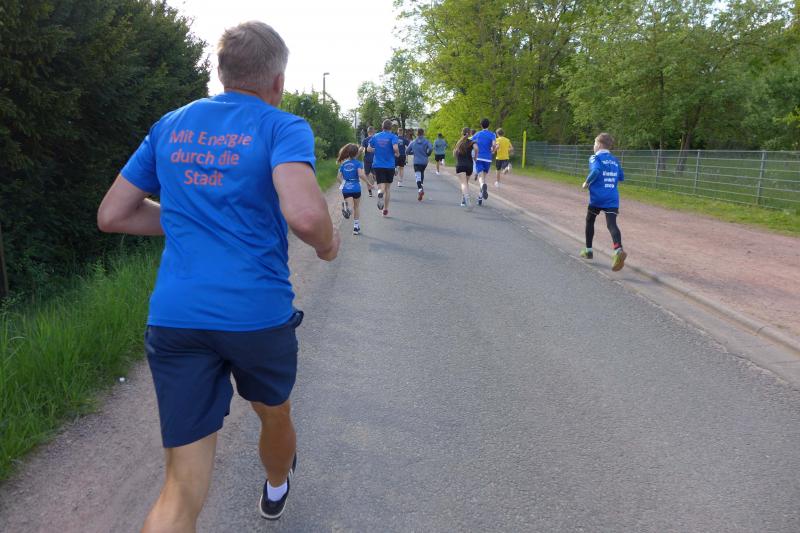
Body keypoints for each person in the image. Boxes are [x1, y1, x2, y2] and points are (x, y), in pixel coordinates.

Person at [97, 22, 340, 528]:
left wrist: (189, 218)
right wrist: (327, 245)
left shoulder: (170, 125)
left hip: (177, 318)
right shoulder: (282, 126)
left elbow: (113, 214)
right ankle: (277, 484)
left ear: (221, 73)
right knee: (274, 413)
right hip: (256, 318)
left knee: (180, 487)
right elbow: (306, 216)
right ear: (278, 81)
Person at [580, 132, 627, 271]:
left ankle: (588, 250)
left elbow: (596, 171)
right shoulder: (614, 160)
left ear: (599, 145)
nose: (593, 146)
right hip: (612, 198)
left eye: (595, 143)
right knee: (611, 224)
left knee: (590, 220)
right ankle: (618, 250)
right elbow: (621, 177)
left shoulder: (595, 157)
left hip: (598, 197)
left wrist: (586, 182)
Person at [368, 119, 401, 216]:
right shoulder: (393, 136)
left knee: (381, 186)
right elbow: (395, 148)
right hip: (389, 165)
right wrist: (397, 153)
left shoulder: (375, 136)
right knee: (388, 188)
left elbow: (368, 149)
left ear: (382, 127)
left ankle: (380, 192)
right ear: (391, 127)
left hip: (378, 165)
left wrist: (377, 150)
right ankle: (385, 209)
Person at [337, 143, 367, 235]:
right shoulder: (358, 163)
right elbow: (361, 174)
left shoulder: (343, 164)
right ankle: (355, 227)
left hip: (346, 188)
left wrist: (343, 184)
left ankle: (348, 209)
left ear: (347, 153)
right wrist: (369, 183)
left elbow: (338, 177)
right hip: (356, 188)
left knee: (350, 205)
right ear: (357, 153)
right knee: (356, 207)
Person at [471, 118, 496, 206]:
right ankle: (480, 198)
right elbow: (494, 145)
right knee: (484, 177)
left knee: (481, 178)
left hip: (479, 158)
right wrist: (493, 150)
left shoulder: (477, 134)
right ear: (488, 125)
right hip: (488, 158)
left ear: (481, 125)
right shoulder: (492, 134)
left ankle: (482, 186)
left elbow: (471, 143)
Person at [454, 127, 477, 209]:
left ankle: (467, 199)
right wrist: (475, 157)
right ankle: (463, 201)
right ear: (470, 133)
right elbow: (476, 148)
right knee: (466, 183)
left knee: (463, 184)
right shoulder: (472, 142)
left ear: (462, 133)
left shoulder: (459, 142)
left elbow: (454, 153)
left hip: (460, 165)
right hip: (469, 165)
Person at [407, 128, 432, 201]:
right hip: (424, 161)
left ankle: (420, 189)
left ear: (417, 134)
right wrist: (428, 154)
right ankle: (421, 187)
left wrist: (413, 153)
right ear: (423, 133)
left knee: (418, 176)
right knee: (422, 173)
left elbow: (407, 151)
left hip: (416, 161)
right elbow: (431, 148)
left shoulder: (413, 142)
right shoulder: (426, 141)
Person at [358, 126, 376, 197]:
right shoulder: (376, 139)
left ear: (368, 132)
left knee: (367, 175)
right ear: (374, 132)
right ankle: (374, 182)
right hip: (375, 160)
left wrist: (355, 157)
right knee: (375, 175)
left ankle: (370, 192)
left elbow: (361, 149)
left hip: (367, 160)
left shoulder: (365, 140)